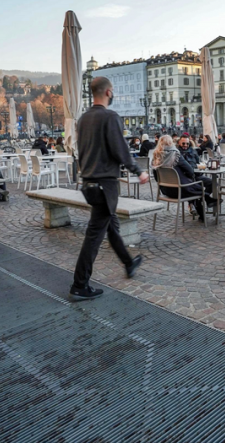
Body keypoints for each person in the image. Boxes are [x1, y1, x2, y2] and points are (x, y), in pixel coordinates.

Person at [70, 77, 148, 301]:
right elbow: (120, 149)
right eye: (112, 91)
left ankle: (128, 262)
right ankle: (79, 284)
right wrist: (138, 171)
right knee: (94, 236)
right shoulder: (110, 117)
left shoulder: (83, 119)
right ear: (108, 92)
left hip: (89, 183)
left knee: (111, 225)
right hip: (105, 186)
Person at [153, 135, 215, 221]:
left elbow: (156, 177)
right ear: (171, 143)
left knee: (196, 187)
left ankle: (206, 202)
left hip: (165, 190)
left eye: (187, 143)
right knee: (197, 188)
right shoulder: (175, 154)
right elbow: (190, 171)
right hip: (179, 190)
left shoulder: (156, 157)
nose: (185, 145)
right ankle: (207, 201)